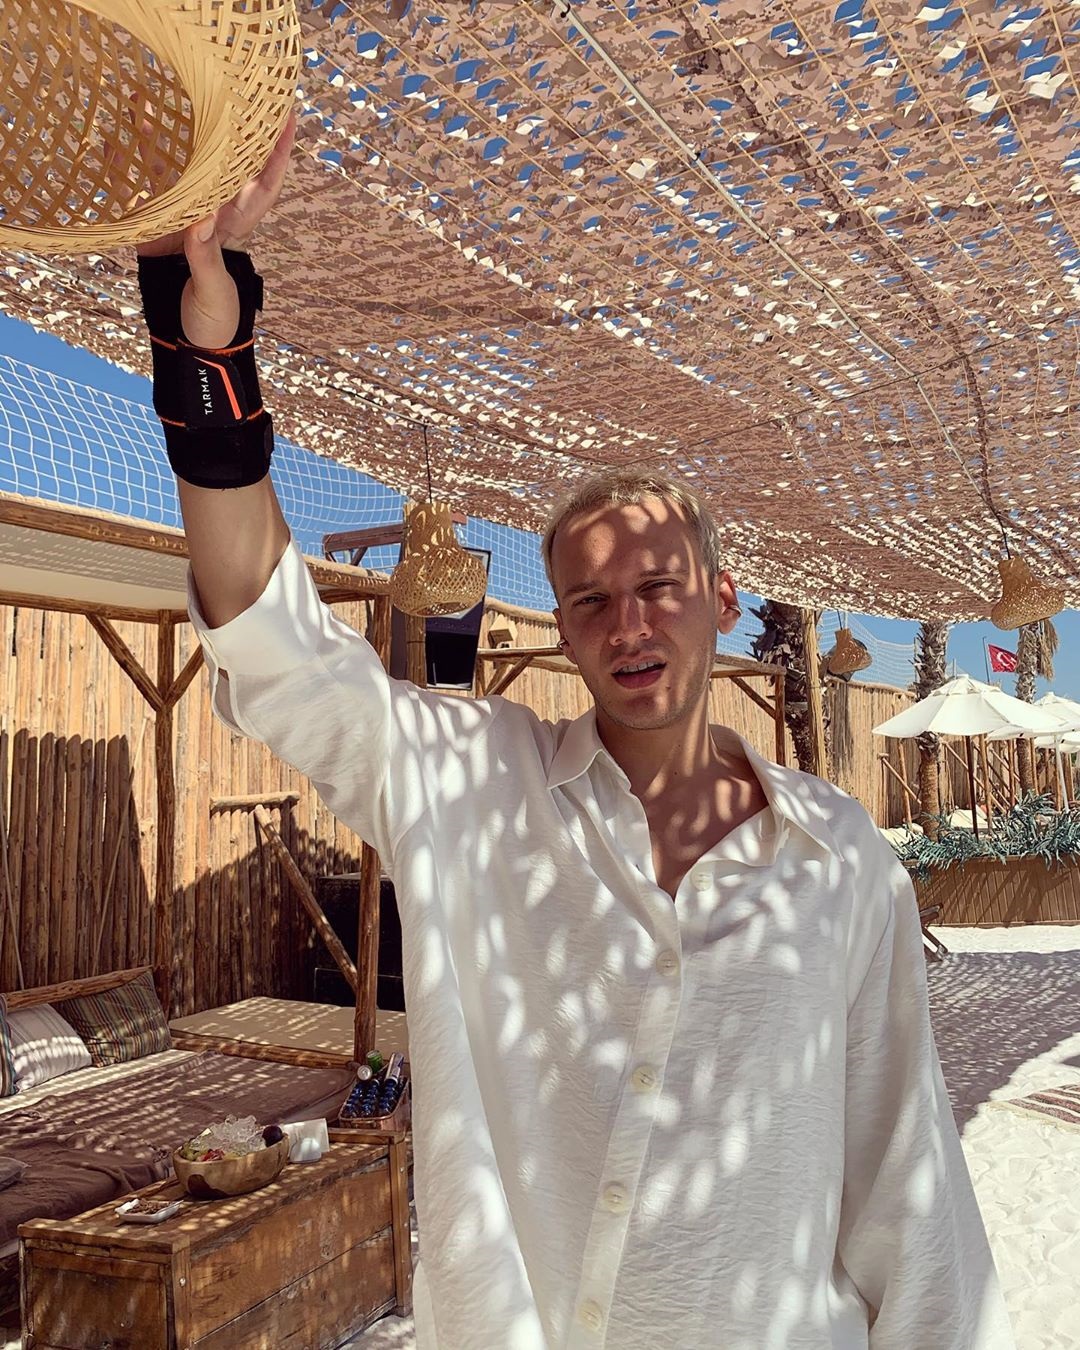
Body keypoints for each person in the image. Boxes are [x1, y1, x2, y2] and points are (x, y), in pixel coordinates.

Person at [137, 122, 1014, 1349]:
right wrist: (204, 352)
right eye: (591, 599)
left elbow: (906, 1186)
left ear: (722, 600)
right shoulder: (472, 786)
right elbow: (272, 645)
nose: (629, 624)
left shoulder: (841, 859)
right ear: (561, 623)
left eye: (659, 587)